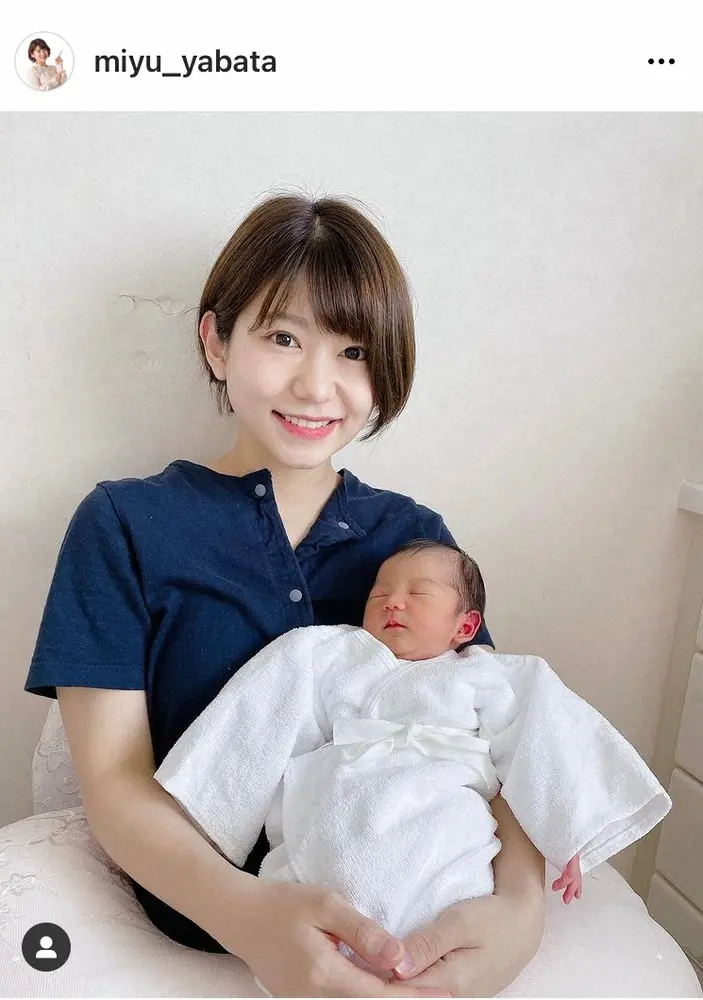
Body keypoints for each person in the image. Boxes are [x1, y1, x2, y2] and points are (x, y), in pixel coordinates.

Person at [25, 192, 552, 998]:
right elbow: (114, 780)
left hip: (403, 914)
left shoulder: (416, 541)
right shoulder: (123, 524)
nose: (316, 386)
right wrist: (247, 916)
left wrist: (520, 910)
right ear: (216, 342)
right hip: (195, 926)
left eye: (353, 351)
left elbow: (491, 728)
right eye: (282, 338)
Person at [154, 537, 670, 994]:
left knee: (447, 876)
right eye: (379, 593)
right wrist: (208, 807)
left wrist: (571, 827)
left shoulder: (490, 676)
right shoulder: (327, 654)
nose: (392, 602)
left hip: (443, 827)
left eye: (418, 594)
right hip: (343, 807)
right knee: (318, 873)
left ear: (465, 625)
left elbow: (547, 737)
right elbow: (261, 714)